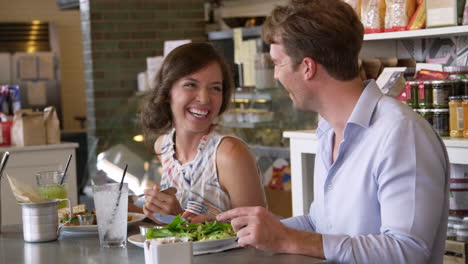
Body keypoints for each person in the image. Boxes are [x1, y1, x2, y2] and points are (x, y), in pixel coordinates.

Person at [217, 0, 450, 263]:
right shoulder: (328, 130)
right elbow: (322, 225)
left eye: (278, 63)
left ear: (307, 67)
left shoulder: (401, 134)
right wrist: (237, 230)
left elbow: (407, 251)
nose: (276, 77)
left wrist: (288, 239)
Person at [140, 42, 266, 224]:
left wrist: (180, 219)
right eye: (191, 85)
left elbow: (258, 233)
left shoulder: (230, 153)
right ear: (167, 92)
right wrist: (149, 210)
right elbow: (174, 227)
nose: (204, 98)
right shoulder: (164, 145)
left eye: (215, 88)